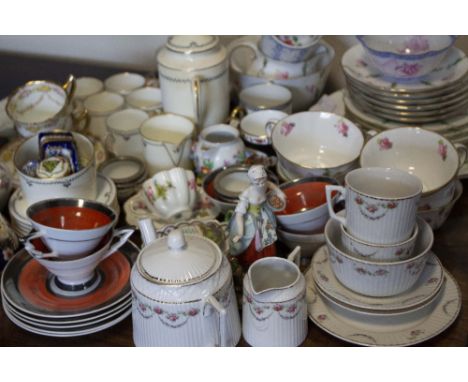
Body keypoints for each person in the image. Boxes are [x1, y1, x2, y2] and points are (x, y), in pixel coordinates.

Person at [229, 165, 286, 269]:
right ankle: (253, 265)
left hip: (264, 214)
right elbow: (239, 215)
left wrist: (280, 193)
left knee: (268, 237)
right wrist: (240, 233)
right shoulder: (247, 194)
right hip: (250, 219)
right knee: (252, 241)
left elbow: (272, 185)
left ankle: (268, 262)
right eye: (257, 182)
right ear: (251, 180)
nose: (261, 184)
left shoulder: (265, 184)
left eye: (263, 180)